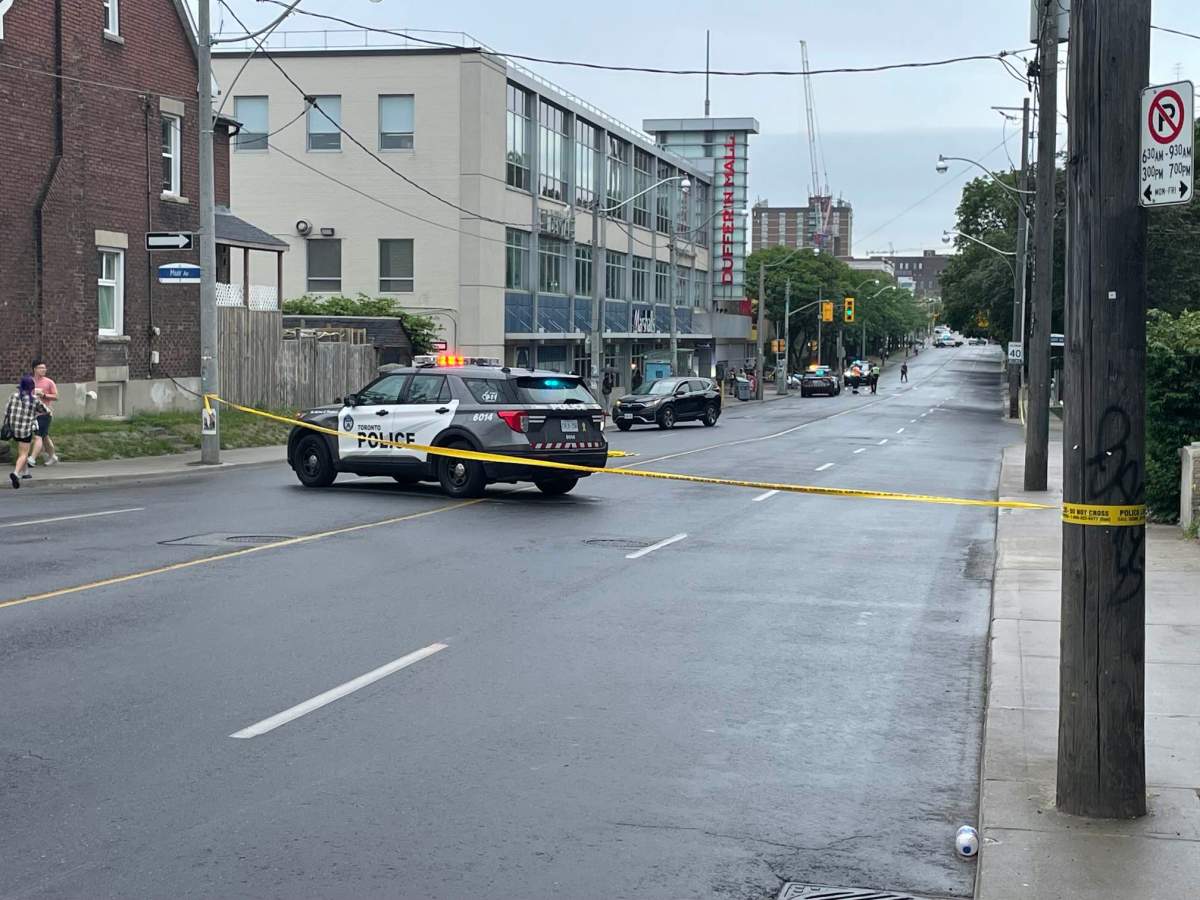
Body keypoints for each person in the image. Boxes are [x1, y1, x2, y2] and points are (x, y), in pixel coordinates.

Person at [5, 375, 50, 488]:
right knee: (24, 454)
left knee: (21, 451)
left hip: (14, 429)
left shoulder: (13, 396)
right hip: (25, 430)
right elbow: (46, 410)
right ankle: (16, 473)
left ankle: (25, 472)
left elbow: (7, 411)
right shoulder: (34, 400)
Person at [29, 358, 59, 466]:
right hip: (33, 413)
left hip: (45, 413)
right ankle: (53, 456)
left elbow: (56, 396)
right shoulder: (30, 381)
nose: (43, 370)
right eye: (41, 368)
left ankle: (32, 459)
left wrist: (44, 395)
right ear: (34, 369)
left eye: (44, 368)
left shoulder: (49, 382)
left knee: (38, 436)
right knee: (44, 436)